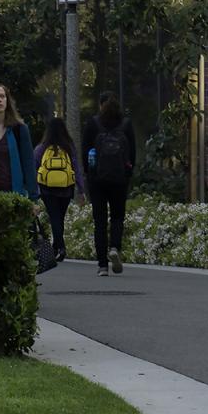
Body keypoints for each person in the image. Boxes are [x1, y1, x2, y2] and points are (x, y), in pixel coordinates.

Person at [82, 92, 135, 277]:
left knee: (100, 221)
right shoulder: (126, 125)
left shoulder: (93, 124)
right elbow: (132, 155)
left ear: (100, 105)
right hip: (119, 180)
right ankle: (115, 247)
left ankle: (102, 265)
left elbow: (84, 152)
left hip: (97, 180)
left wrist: (89, 175)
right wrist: (127, 174)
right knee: (118, 217)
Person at [33, 116, 85, 262]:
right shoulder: (68, 147)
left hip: (47, 189)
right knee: (59, 218)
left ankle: (59, 247)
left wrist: (33, 189)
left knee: (54, 217)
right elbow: (76, 168)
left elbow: (34, 166)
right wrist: (81, 190)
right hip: (66, 188)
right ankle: (58, 247)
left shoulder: (42, 147)